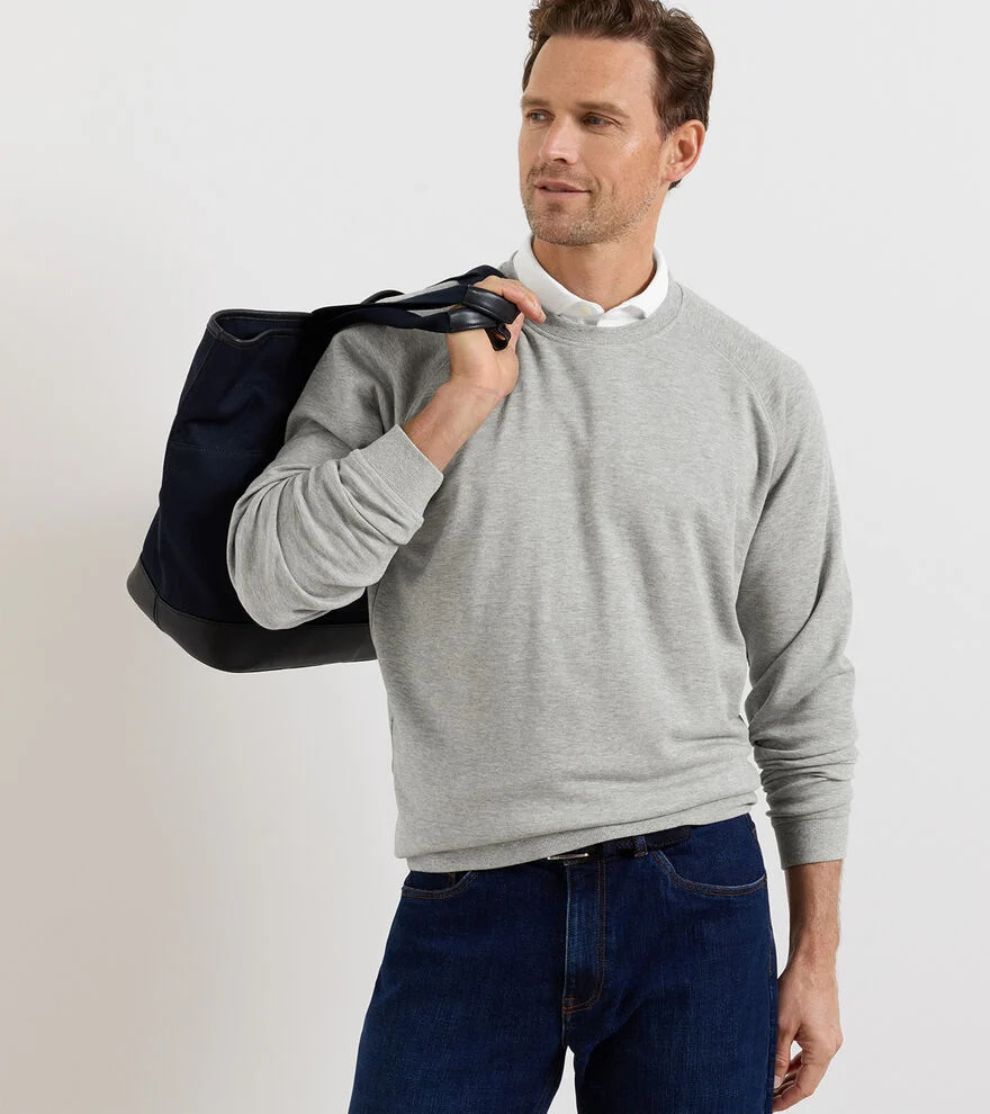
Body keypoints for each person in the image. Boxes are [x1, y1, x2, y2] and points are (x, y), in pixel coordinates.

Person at [226, 2, 858, 1110]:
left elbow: (804, 686)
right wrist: (456, 406)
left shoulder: (758, 389)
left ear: (681, 149)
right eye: (537, 114)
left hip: (698, 895)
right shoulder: (401, 351)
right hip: (470, 894)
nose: (554, 147)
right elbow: (269, 582)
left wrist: (816, 953)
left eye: (596, 120)